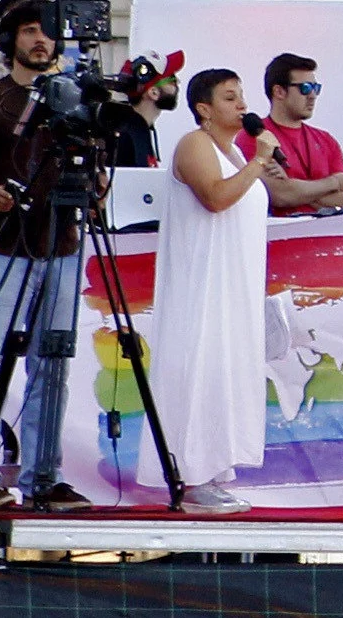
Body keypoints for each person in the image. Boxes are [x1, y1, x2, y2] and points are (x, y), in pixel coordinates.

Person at [0, 1, 89, 510]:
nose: (41, 41)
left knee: (54, 364)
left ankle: (43, 477)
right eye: (30, 32)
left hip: (64, 247)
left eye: (48, 32)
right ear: (10, 43)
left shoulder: (75, 101)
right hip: (5, 247)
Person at [151, 67, 271, 514]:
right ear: (204, 108)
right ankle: (191, 474)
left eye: (241, 96)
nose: (242, 105)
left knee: (224, 367)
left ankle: (213, 471)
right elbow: (216, 197)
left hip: (233, 278)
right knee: (200, 364)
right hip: (202, 279)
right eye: (229, 98)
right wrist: (260, 161)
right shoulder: (194, 144)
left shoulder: (236, 152)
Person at [246, 53, 343, 214]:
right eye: (305, 88)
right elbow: (280, 195)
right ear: (279, 92)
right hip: (280, 234)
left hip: (327, 235)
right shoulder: (255, 135)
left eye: (316, 88)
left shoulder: (326, 140)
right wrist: (334, 182)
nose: (312, 96)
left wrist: (294, 188)